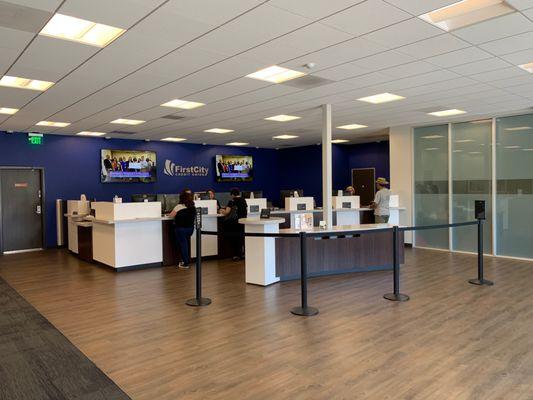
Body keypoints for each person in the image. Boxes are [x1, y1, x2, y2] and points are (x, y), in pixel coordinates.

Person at [169, 191, 196, 269]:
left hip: (181, 229)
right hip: (190, 229)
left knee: (183, 245)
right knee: (185, 244)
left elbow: (171, 216)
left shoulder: (178, 206)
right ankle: (185, 260)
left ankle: (186, 263)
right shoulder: (193, 206)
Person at [220, 188, 248, 261]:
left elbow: (226, 212)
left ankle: (236, 255)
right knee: (241, 238)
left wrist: (221, 210)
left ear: (232, 194)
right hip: (242, 222)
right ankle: (242, 254)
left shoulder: (232, 201)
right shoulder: (243, 200)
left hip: (234, 223)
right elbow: (245, 210)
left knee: (234, 239)